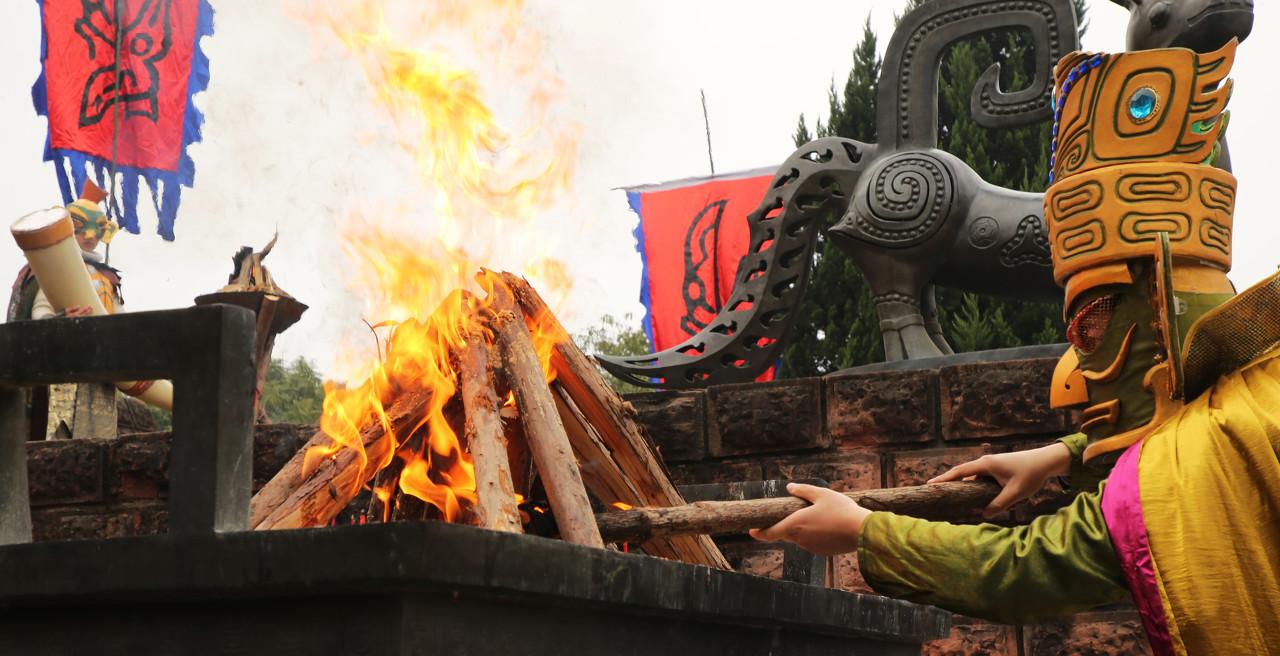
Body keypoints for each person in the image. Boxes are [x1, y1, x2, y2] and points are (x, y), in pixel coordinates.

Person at [752, 40, 1280, 655]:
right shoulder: (1260, 385)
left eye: (1091, 323)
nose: (1075, 369)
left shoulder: (1189, 477)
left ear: (1161, 317)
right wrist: (1061, 455)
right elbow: (1190, 414)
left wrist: (864, 530)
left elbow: (1022, 568)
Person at [7, 180, 125, 438]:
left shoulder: (107, 278)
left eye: (99, 228)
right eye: (81, 227)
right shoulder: (43, 270)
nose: (90, 236)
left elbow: (120, 319)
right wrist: (60, 322)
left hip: (98, 379)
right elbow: (37, 317)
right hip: (57, 376)